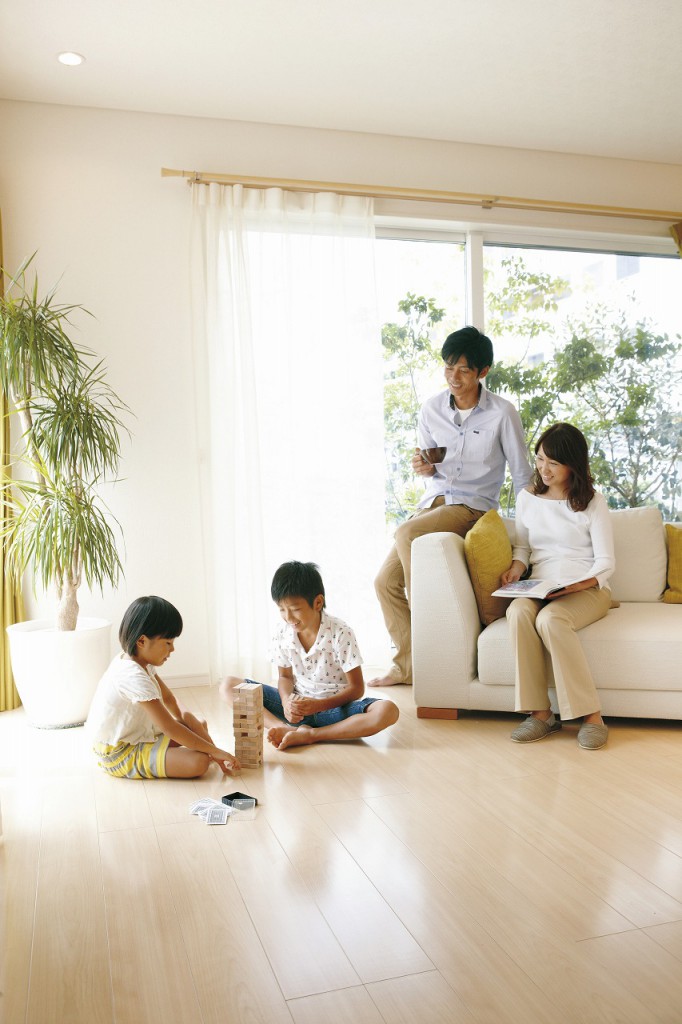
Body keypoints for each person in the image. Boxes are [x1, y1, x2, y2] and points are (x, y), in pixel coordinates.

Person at [371, 325, 532, 687]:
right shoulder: (431, 409)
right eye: (448, 367)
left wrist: (529, 532)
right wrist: (424, 468)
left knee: (406, 532)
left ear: (482, 371)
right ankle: (407, 666)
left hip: (473, 507)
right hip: (433, 505)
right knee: (384, 582)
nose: (453, 378)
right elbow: (431, 471)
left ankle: (429, 625)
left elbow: (523, 476)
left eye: (463, 370)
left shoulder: (502, 413)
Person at [500, 422, 615, 749]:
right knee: (518, 612)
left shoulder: (592, 502)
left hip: (587, 588)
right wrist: (515, 568)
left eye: (553, 463)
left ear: (573, 465)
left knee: (551, 619)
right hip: (541, 583)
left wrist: (576, 586)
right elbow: (523, 548)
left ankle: (591, 716)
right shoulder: (527, 498)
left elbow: (606, 562)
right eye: (539, 459)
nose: (544, 469)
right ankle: (540, 714)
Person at [221, 561, 399, 750]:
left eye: (295, 609)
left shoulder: (340, 632)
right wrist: (286, 702)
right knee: (229, 685)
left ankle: (312, 735)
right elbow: (285, 677)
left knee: (387, 710)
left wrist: (318, 705)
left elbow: (357, 689)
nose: (288, 617)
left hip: (335, 710)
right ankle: (283, 728)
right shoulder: (282, 632)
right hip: (297, 709)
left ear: (318, 602)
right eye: (281, 609)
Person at [87, 595, 240, 778]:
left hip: (139, 734)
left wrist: (199, 733)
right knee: (199, 762)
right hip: (119, 753)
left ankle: (201, 750)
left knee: (198, 724)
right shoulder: (132, 676)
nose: (172, 649)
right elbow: (169, 727)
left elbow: (169, 699)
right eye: (168, 643)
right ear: (142, 641)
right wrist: (214, 752)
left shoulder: (141, 661)